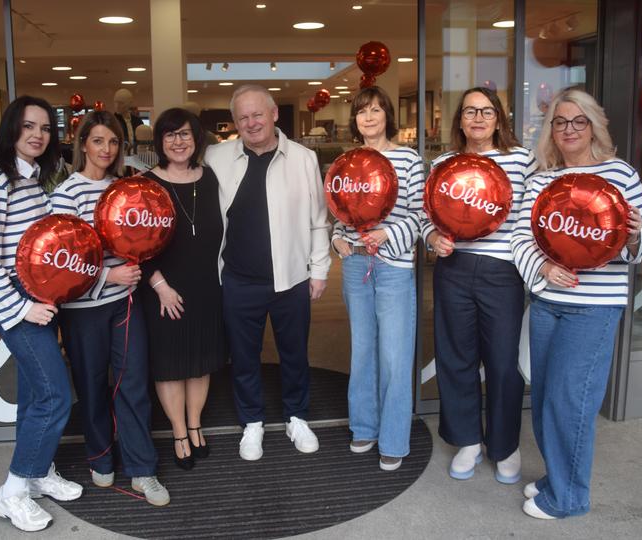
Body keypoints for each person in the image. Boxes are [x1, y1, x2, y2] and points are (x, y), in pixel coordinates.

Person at [510, 88, 642, 520]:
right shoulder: (542, 180)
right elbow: (521, 238)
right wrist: (543, 267)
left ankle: (569, 497)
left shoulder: (620, 174)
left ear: (594, 126)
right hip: (547, 302)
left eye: (578, 121)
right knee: (544, 399)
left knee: (570, 402)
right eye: (560, 122)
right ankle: (558, 476)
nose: (569, 129)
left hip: (594, 307)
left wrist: (634, 236)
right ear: (551, 130)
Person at [0, 96, 83, 532]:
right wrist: (21, 307)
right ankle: (12, 491)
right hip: (19, 303)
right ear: (11, 130)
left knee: (36, 394)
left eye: (45, 128)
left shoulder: (32, 179)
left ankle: (36, 472)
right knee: (55, 395)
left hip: (38, 297)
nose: (38, 135)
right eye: (28, 126)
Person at [204, 84, 331, 461]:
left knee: (295, 353)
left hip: (291, 277)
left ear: (274, 114)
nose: (251, 123)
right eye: (242, 117)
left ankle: (297, 417)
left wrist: (319, 269)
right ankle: (252, 422)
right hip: (238, 278)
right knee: (244, 356)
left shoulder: (304, 158)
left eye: (257, 114)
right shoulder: (216, 156)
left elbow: (319, 220)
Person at [49, 110, 170, 506]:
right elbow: (60, 260)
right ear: (83, 144)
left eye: (114, 141)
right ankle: (100, 457)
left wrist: (137, 268)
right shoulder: (65, 194)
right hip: (83, 308)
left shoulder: (124, 189)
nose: (107, 149)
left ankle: (142, 469)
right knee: (91, 385)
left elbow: (141, 239)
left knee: (133, 384)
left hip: (124, 304)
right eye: (98, 140)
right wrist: (107, 275)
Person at [421, 87, 537, 483]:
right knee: (456, 357)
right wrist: (433, 238)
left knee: (503, 363)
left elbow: (531, 217)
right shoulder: (444, 163)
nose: (478, 118)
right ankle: (467, 441)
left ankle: (505, 446)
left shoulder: (522, 160)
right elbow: (426, 216)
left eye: (486, 111)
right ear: (460, 120)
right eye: (470, 111)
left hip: (502, 272)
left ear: (499, 118)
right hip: (454, 269)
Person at [331, 86, 425, 471]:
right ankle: (364, 426)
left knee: (395, 355)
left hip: (394, 265)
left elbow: (421, 214)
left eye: (375, 110)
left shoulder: (409, 159)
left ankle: (393, 438)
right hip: (355, 264)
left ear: (388, 115)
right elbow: (340, 211)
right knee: (363, 349)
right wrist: (337, 237)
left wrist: (389, 234)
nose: (368, 118)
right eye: (361, 112)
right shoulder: (348, 160)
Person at [138, 107, 227, 470]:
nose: (178, 141)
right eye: (170, 135)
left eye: (185, 134)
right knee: (171, 363)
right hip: (163, 288)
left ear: (196, 138)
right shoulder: (145, 185)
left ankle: (194, 424)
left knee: (200, 363)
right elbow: (133, 244)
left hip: (206, 286)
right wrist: (160, 286)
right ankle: (178, 432)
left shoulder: (211, 179)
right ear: (160, 141)